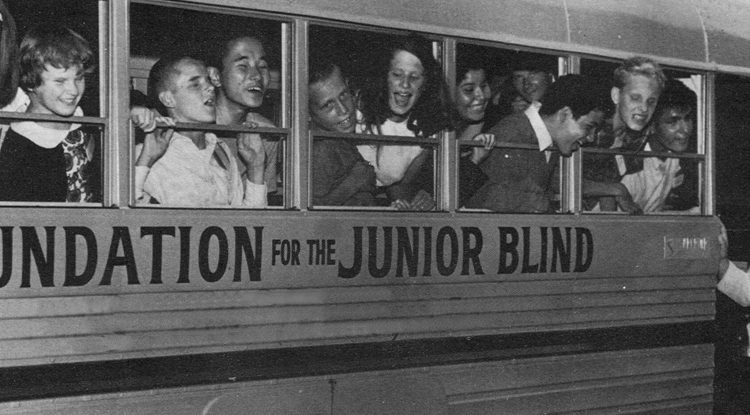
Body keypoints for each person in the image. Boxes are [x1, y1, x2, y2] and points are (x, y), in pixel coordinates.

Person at [133, 55, 266, 207]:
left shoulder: (221, 152)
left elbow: (247, 222)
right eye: (195, 84)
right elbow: (128, 218)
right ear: (168, 99)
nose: (210, 88)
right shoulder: (144, 154)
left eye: (208, 81)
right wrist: (146, 160)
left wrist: (256, 166)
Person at [465, 74, 609, 213]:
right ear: (564, 114)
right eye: (588, 127)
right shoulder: (512, 137)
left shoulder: (546, 138)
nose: (590, 138)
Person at [0, 24, 97, 202]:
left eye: (79, 78)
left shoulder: (90, 118)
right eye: (60, 81)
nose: (73, 90)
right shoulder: (17, 145)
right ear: (30, 81)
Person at [357, 34, 452, 210]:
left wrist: (419, 202)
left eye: (414, 77)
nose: (405, 85)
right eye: (397, 74)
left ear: (425, 84)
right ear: (384, 76)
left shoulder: (426, 133)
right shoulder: (356, 111)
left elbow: (399, 188)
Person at [582, 56, 666, 213]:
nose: (643, 109)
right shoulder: (591, 129)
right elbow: (559, 179)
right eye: (635, 98)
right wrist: (618, 190)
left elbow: (607, 183)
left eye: (651, 101)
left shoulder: (637, 137)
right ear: (616, 96)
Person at [206, 36, 276, 195]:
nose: (257, 76)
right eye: (243, 66)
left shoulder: (267, 133)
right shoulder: (192, 126)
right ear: (216, 76)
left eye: (262, 66)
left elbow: (263, 205)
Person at [619, 79, 699, 213]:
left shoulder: (675, 159)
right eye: (673, 122)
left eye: (687, 119)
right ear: (651, 126)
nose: (685, 129)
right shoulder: (627, 163)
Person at [308, 58, 376, 206]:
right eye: (328, 105)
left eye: (343, 95)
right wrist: (353, 182)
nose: (343, 110)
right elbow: (311, 216)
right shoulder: (321, 150)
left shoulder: (338, 139)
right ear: (307, 113)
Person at [452, 58, 496, 207]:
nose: (481, 96)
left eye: (483, 86)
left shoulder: (494, 127)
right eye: (469, 90)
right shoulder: (433, 133)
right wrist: (474, 160)